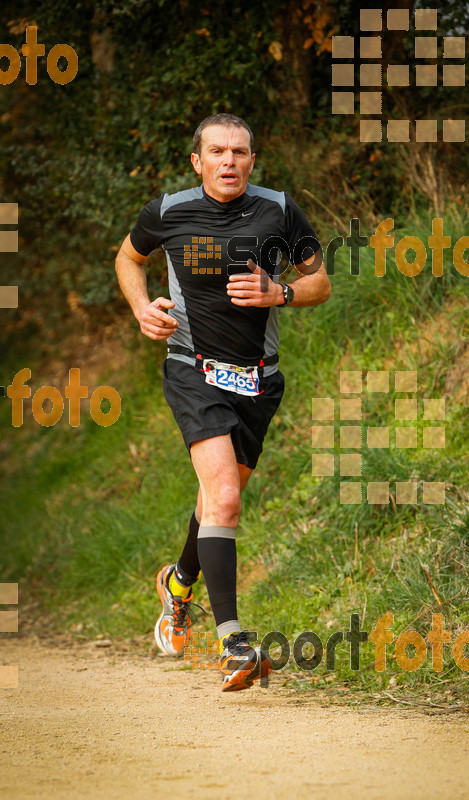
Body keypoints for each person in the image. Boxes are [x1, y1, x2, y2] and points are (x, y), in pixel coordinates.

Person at [115, 113, 330, 691]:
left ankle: (177, 585)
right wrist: (141, 308)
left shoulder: (279, 211)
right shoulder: (167, 211)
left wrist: (279, 291)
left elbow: (320, 282)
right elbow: (127, 258)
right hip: (193, 369)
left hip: (260, 379)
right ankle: (234, 643)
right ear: (198, 160)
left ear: (252, 160)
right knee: (227, 498)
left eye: (239, 152)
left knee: (218, 498)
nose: (229, 161)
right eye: (217, 152)